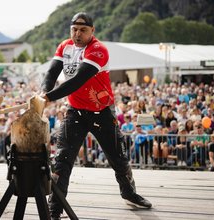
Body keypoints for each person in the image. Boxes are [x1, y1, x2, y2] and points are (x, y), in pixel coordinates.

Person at [41, 12, 152, 219]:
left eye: (83, 30)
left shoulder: (99, 50)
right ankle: (54, 208)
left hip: (102, 112)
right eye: (74, 29)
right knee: (62, 160)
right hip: (75, 111)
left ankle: (129, 193)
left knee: (118, 158)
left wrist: (48, 97)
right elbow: (51, 73)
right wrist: (42, 92)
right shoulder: (65, 46)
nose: (77, 34)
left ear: (92, 31)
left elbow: (77, 80)